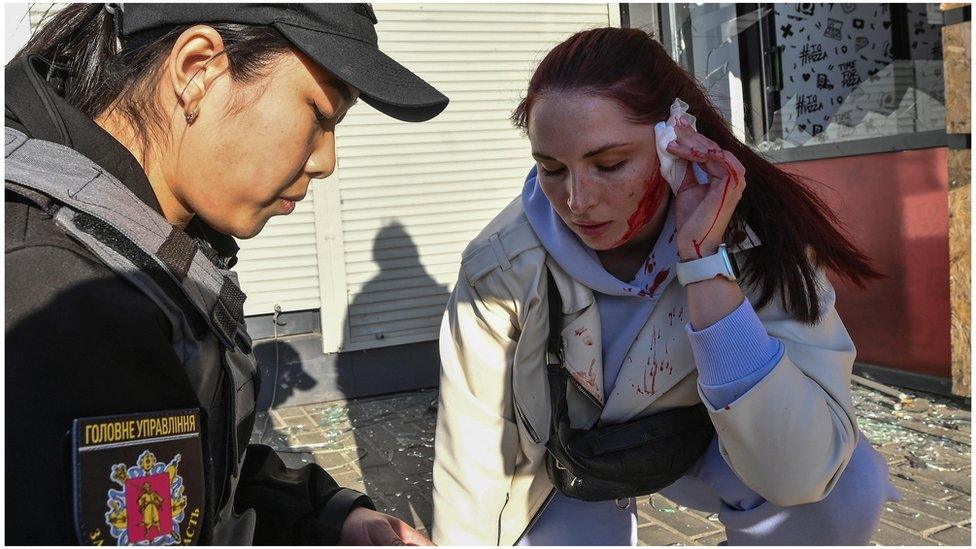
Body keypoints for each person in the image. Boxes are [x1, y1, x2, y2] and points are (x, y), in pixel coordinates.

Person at [431, 27, 900, 546]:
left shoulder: (758, 236)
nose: (577, 200)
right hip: (562, 459)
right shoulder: (499, 266)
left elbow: (802, 470)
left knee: (847, 487)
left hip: (704, 440)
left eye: (609, 165)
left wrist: (705, 264)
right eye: (551, 168)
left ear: (674, 143)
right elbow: (474, 455)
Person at [5, 3, 448, 545]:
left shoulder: (139, 237)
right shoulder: (61, 296)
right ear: (198, 69)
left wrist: (329, 516)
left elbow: (186, 475)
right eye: (320, 115)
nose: (326, 161)